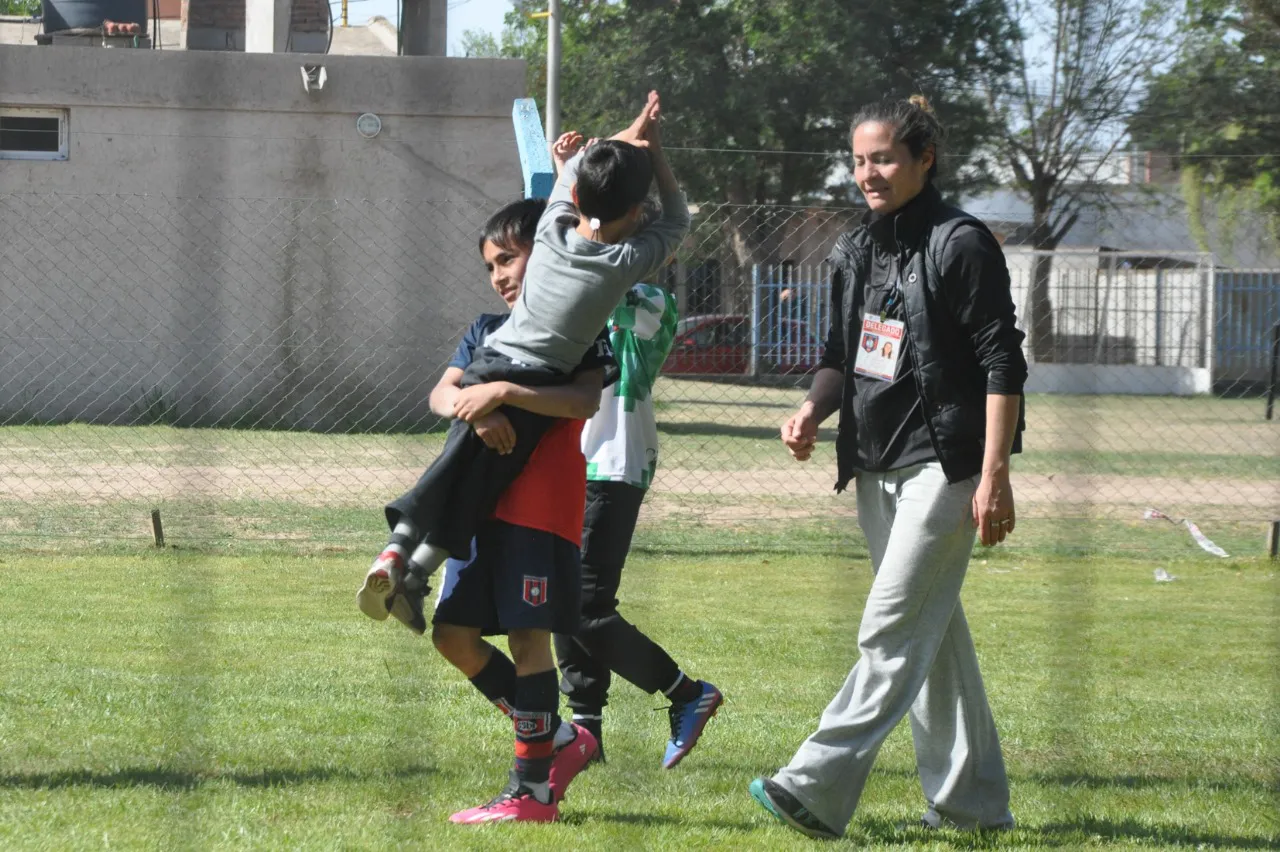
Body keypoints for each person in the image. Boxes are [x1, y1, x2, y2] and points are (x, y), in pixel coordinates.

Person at [748, 95, 1027, 840]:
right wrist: (813, 410)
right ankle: (974, 805)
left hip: (947, 466)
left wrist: (994, 473)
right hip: (874, 467)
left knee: (890, 626)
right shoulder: (854, 250)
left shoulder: (961, 243)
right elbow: (842, 359)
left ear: (923, 159)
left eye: (884, 159)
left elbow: (1004, 360)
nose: (868, 173)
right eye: (860, 160)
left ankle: (814, 785)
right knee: (931, 636)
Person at [358, 90, 691, 633]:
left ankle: (407, 565)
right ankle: (403, 559)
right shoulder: (625, 263)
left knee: (468, 476)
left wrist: (629, 135)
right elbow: (675, 218)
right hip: (535, 380)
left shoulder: (550, 233)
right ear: (635, 213)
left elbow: (577, 177)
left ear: (577, 195)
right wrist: (654, 150)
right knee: (473, 480)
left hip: (494, 361)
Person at [422, 197, 610, 824]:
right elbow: (441, 392)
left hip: (540, 505)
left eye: (511, 259)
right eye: (491, 266)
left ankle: (530, 793)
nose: (500, 275)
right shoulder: (483, 329)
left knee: (529, 636)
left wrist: (504, 388)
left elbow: (583, 401)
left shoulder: (575, 327)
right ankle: (556, 738)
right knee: (452, 633)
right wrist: (478, 404)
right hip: (480, 507)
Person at [547, 133, 724, 770]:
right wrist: (572, 166)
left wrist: (593, 192)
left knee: (585, 604)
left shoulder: (649, 304)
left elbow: (572, 257)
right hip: (569, 462)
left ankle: (686, 692)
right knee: (567, 600)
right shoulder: (585, 281)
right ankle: (587, 728)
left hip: (614, 468)